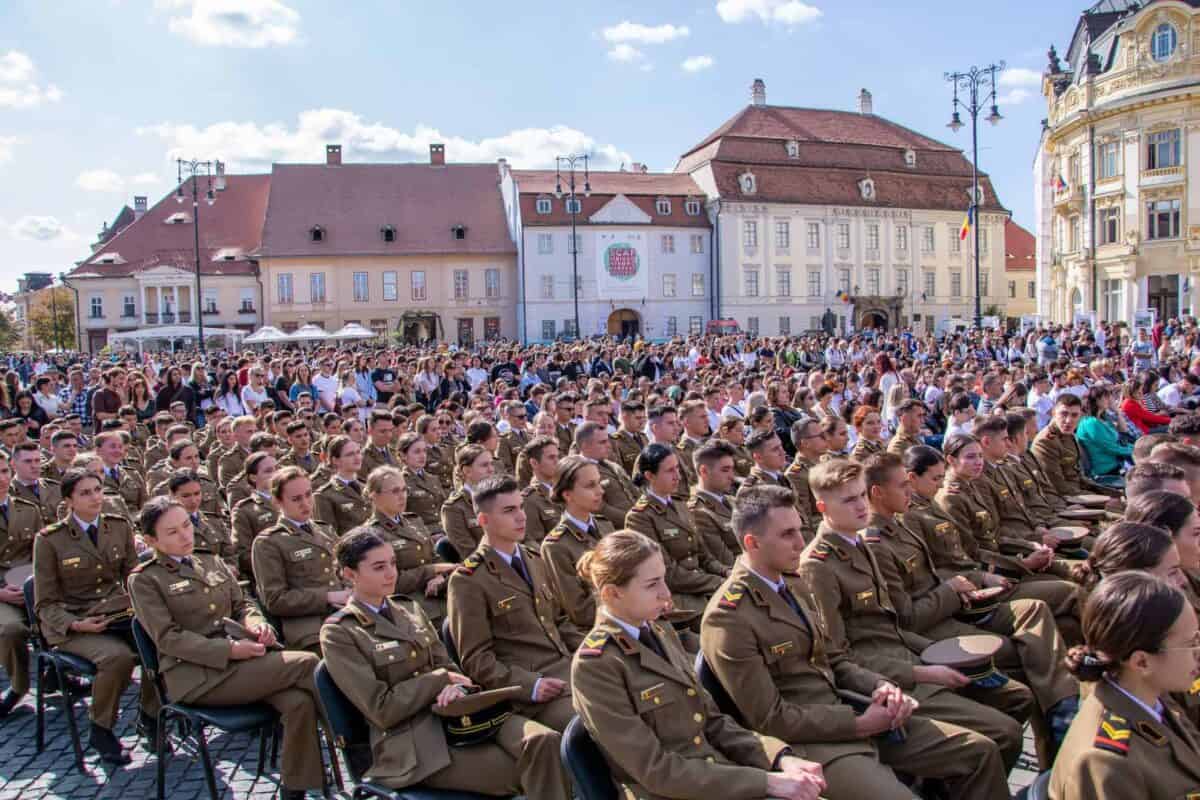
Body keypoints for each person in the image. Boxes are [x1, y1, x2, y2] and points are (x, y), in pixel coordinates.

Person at [702, 483, 1012, 800]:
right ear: (752, 543)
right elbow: (771, 718)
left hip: (854, 708)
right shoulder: (729, 617)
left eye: (799, 529)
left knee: (981, 751)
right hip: (815, 744)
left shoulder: (791, 583)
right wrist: (859, 725)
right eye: (787, 535)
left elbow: (834, 659)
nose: (800, 542)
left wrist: (880, 686)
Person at [795, 458, 1028, 771]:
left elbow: (889, 624)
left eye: (862, 495)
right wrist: (923, 672)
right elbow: (839, 658)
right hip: (886, 681)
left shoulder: (858, 542)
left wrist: (934, 655)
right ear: (822, 508)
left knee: (1016, 696)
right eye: (848, 500)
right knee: (1003, 734)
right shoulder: (818, 565)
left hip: (909, 655)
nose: (862, 506)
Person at [571, 528, 828, 800]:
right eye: (652, 584)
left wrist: (779, 757)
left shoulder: (659, 632)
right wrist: (767, 782)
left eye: (663, 580)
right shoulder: (596, 665)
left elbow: (712, 722)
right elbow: (657, 772)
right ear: (612, 594)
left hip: (719, 779)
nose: (666, 594)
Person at [320, 529, 571, 798]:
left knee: (545, 742)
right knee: (520, 770)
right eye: (379, 567)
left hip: (462, 716)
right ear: (350, 574)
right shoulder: (340, 632)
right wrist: (439, 681)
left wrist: (456, 687)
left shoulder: (409, 610)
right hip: (415, 742)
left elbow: (452, 670)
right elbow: (381, 709)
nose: (391, 573)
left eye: (393, 563)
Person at [129, 496, 324, 800]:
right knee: (309, 662)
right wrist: (230, 651)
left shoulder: (209, 560)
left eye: (186, 525)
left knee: (299, 702)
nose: (185, 535)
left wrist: (258, 625)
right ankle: (357, 747)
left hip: (243, 664)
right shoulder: (145, 580)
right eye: (172, 532)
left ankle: (294, 790)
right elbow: (168, 638)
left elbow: (243, 604)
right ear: (151, 540)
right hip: (196, 676)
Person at [32, 468, 159, 763]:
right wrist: (77, 624)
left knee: (162, 643)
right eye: (85, 493)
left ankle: (151, 717)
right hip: (74, 624)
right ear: (69, 501)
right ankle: (101, 728)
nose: (95, 497)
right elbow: (45, 603)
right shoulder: (50, 540)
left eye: (98, 489)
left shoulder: (117, 526)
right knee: (118, 659)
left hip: (116, 615)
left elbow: (133, 577)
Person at [445, 475, 581, 733]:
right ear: (483, 520)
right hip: (534, 692)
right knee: (599, 724)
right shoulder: (469, 580)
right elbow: (477, 659)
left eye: (520, 507)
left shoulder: (534, 558)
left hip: (571, 670)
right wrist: (530, 686)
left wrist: (588, 655)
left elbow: (559, 621)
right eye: (509, 510)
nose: (521, 516)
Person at [1049, 572, 1200, 800]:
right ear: (1141, 661)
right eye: (1191, 644)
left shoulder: (1146, 700)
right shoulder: (1105, 762)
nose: (1198, 653)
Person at [625, 443, 725, 632]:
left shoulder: (680, 505)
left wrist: (726, 573)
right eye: (669, 471)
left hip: (703, 588)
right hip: (679, 600)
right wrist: (716, 582)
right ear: (649, 476)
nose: (677, 476)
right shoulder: (640, 517)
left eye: (677, 468)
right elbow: (668, 574)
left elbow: (704, 556)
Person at [251, 466, 349, 652]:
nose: (305, 503)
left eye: (308, 494)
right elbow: (275, 600)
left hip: (345, 612)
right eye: (296, 499)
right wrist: (327, 597)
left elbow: (345, 572)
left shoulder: (324, 530)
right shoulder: (269, 542)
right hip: (310, 627)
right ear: (278, 501)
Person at [349, 466, 453, 623]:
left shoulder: (414, 521)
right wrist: (431, 571)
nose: (402, 496)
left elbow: (434, 557)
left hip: (438, 593)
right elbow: (388, 581)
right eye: (395, 491)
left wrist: (440, 577)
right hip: (408, 605)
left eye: (404, 490)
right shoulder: (371, 534)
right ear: (374, 496)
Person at [541, 455, 614, 629]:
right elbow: (580, 611)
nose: (600, 491)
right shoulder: (556, 546)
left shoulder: (605, 525)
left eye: (599, 483)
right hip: (602, 629)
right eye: (590, 486)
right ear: (567, 494)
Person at [0, 450, 41, 717]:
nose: (1, 479)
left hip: (32, 585)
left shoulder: (28, 509)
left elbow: (41, 553)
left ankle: (62, 672)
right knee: (11, 628)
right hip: (2, 593)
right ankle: (18, 686)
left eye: (4, 471)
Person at [440, 444, 494, 560]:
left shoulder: (497, 498)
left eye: (491, 464)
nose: (491, 470)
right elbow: (469, 555)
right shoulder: (454, 508)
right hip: (482, 570)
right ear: (467, 471)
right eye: (484, 465)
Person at [313, 436, 370, 535]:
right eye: (350, 454)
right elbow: (329, 537)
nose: (357, 457)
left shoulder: (367, 487)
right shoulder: (324, 495)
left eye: (358, 452)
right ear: (335, 460)